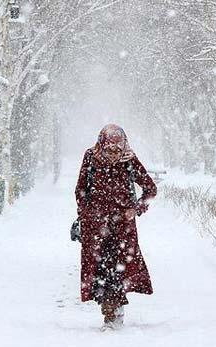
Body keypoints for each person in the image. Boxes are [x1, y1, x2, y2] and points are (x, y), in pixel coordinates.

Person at [74, 124, 157, 330]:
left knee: (118, 270)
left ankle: (114, 313)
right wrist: (86, 213)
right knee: (100, 270)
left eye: (117, 149)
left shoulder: (129, 160)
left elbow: (150, 189)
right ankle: (109, 310)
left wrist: (135, 209)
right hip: (96, 228)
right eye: (109, 149)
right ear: (102, 143)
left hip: (123, 229)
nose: (113, 154)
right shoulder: (91, 157)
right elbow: (81, 189)